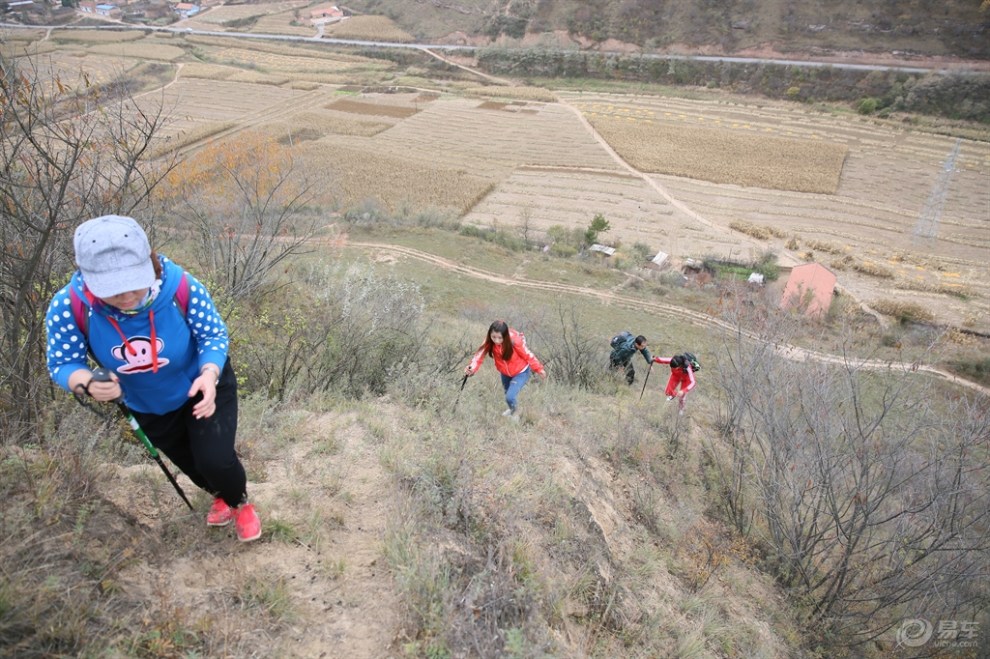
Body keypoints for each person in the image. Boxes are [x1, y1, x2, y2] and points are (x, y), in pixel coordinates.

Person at [45, 215, 261, 542]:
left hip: (201, 387)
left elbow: (213, 336)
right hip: (147, 406)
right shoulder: (70, 306)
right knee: (193, 465)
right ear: (87, 277)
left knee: (215, 459)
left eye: (133, 281)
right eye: (113, 288)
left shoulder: (180, 287)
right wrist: (87, 383)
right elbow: (62, 363)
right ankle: (220, 495)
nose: (127, 295)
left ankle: (240, 502)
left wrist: (209, 374)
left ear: (149, 261)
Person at [465, 320, 546, 419]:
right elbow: (479, 355)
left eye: (500, 337)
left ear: (505, 336)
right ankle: (512, 409)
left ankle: (516, 414)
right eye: (493, 337)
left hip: (521, 372)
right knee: (507, 394)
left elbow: (528, 355)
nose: (496, 340)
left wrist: (539, 369)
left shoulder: (515, 341)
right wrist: (471, 368)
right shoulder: (489, 341)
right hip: (505, 373)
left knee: (510, 397)